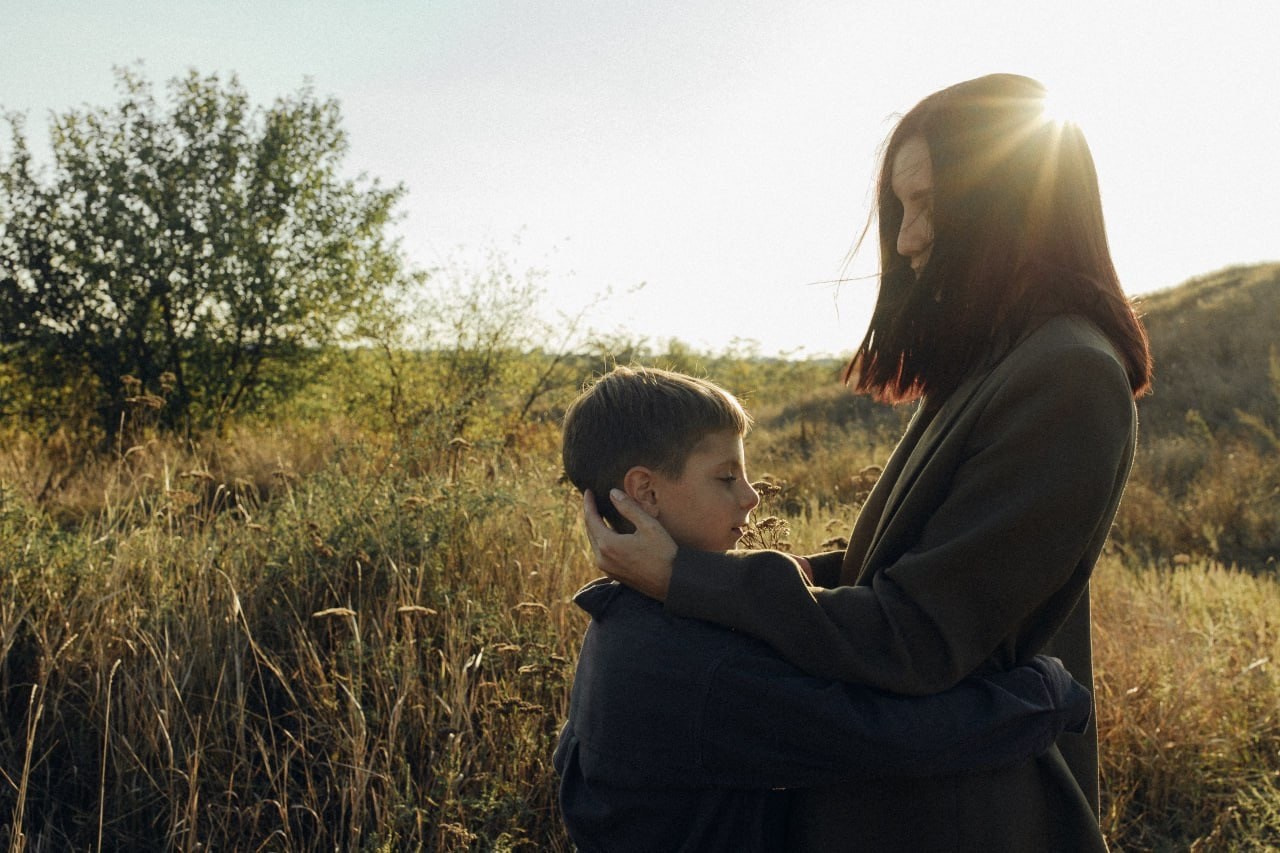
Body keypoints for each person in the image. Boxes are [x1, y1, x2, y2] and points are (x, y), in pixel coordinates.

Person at [583, 74, 1153, 852]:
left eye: (926, 203)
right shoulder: (993, 362)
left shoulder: (1067, 375)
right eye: (901, 208)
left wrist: (689, 578)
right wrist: (707, 564)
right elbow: (894, 571)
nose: (909, 237)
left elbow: (913, 632)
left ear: (1012, 199)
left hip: (963, 815)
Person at [556, 365, 1093, 852]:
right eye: (725, 478)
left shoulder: (621, 618)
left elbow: (792, 590)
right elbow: (895, 740)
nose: (751, 497)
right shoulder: (696, 667)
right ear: (644, 493)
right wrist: (1042, 696)